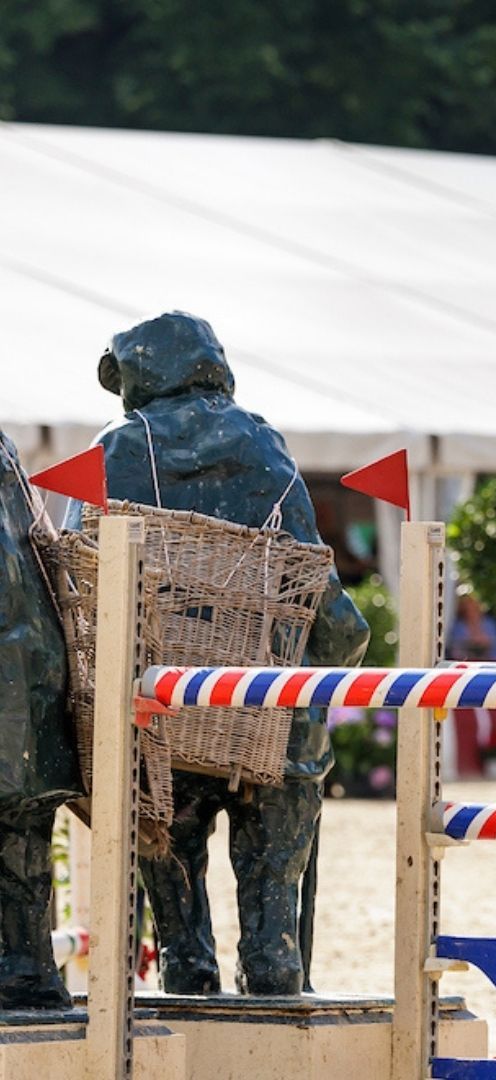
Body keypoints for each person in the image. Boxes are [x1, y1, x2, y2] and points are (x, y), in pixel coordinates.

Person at [77, 312, 368, 995]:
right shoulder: (263, 445)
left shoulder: (114, 450)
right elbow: (315, 593)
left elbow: (83, 586)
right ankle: (275, 985)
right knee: (274, 927)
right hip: (268, 719)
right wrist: (333, 664)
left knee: (177, 916)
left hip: (160, 722)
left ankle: (188, 987)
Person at [0, 427, 82, 1009]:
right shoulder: (8, 461)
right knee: (24, 850)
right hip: (35, 686)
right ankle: (30, 977)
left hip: (23, 685)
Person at [447, 591, 496, 662]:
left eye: (474, 606)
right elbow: (455, 651)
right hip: (467, 663)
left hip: (491, 662)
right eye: (468, 607)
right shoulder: (458, 626)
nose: (472, 610)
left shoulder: (490, 624)